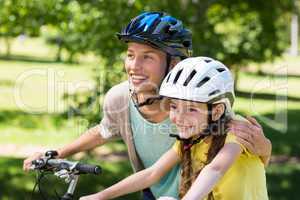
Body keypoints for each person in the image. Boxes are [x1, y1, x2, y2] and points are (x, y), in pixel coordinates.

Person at [23, 12, 271, 199]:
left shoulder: (202, 100)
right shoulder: (122, 98)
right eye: (130, 55)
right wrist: (56, 154)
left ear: (174, 64)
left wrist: (264, 148)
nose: (134, 66)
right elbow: (105, 132)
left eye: (147, 57)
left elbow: (228, 161)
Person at [79, 57, 268, 200]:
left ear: (217, 110)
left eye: (192, 109)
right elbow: (152, 174)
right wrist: (100, 196)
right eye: (174, 106)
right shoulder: (191, 139)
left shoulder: (236, 132)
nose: (179, 117)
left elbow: (215, 169)